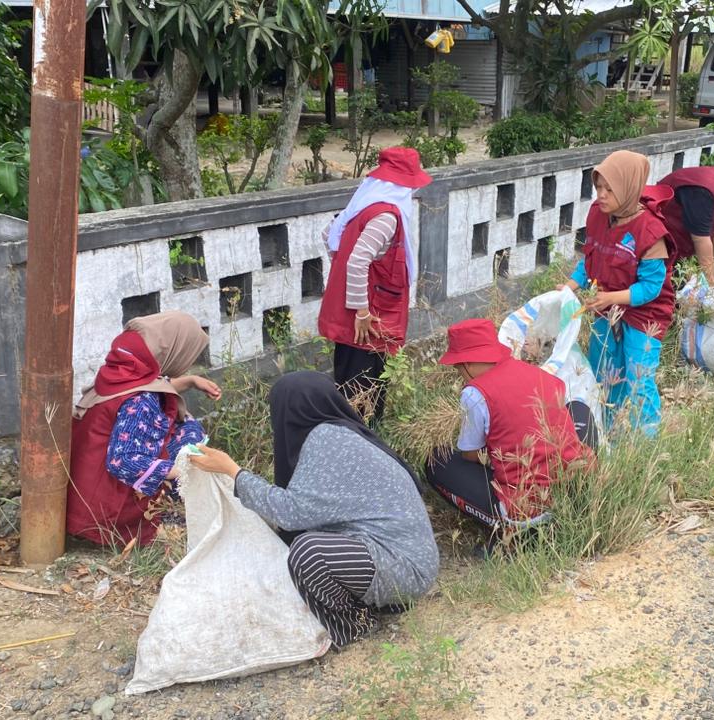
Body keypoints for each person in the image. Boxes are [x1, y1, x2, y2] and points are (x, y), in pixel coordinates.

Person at [190, 371, 438, 649]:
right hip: (406, 562)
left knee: (310, 553)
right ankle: (380, 601)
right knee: (301, 549)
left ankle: (355, 622)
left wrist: (233, 471)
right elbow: (309, 509)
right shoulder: (338, 433)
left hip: (405, 568)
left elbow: (291, 513)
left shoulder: (327, 440)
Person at [424, 318, 594, 533]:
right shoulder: (536, 373)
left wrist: (498, 447)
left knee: (438, 461)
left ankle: (511, 529)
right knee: (577, 408)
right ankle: (582, 494)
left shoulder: (475, 393)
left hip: (524, 506)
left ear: (465, 364)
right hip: (572, 481)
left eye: (458, 369)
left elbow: (470, 455)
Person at [67, 312, 220, 546]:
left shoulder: (120, 370)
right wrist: (184, 471)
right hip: (105, 513)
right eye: (187, 354)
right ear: (171, 353)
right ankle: (162, 516)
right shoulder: (142, 401)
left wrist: (190, 381)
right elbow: (122, 461)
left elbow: (153, 384)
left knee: (181, 431)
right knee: (188, 435)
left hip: (81, 492)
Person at [562, 150, 671, 436]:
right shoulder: (599, 215)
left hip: (643, 313)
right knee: (604, 370)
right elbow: (591, 260)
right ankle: (609, 431)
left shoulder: (650, 231)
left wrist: (612, 298)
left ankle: (645, 443)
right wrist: (571, 286)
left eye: (610, 189)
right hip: (605, 306)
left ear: (630, 188)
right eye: (598, 187)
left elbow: (650, 288)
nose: (602, 195)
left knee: (638, 375)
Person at [318, 147, 431, 423]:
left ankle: (347, 433)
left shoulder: (363, 208)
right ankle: (364, 439)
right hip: (367, 319)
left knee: (347, 379)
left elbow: (329, 234)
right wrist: (362, 311)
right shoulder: (386, 216)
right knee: (365, 389)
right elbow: (357, 262)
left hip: (350, 315)